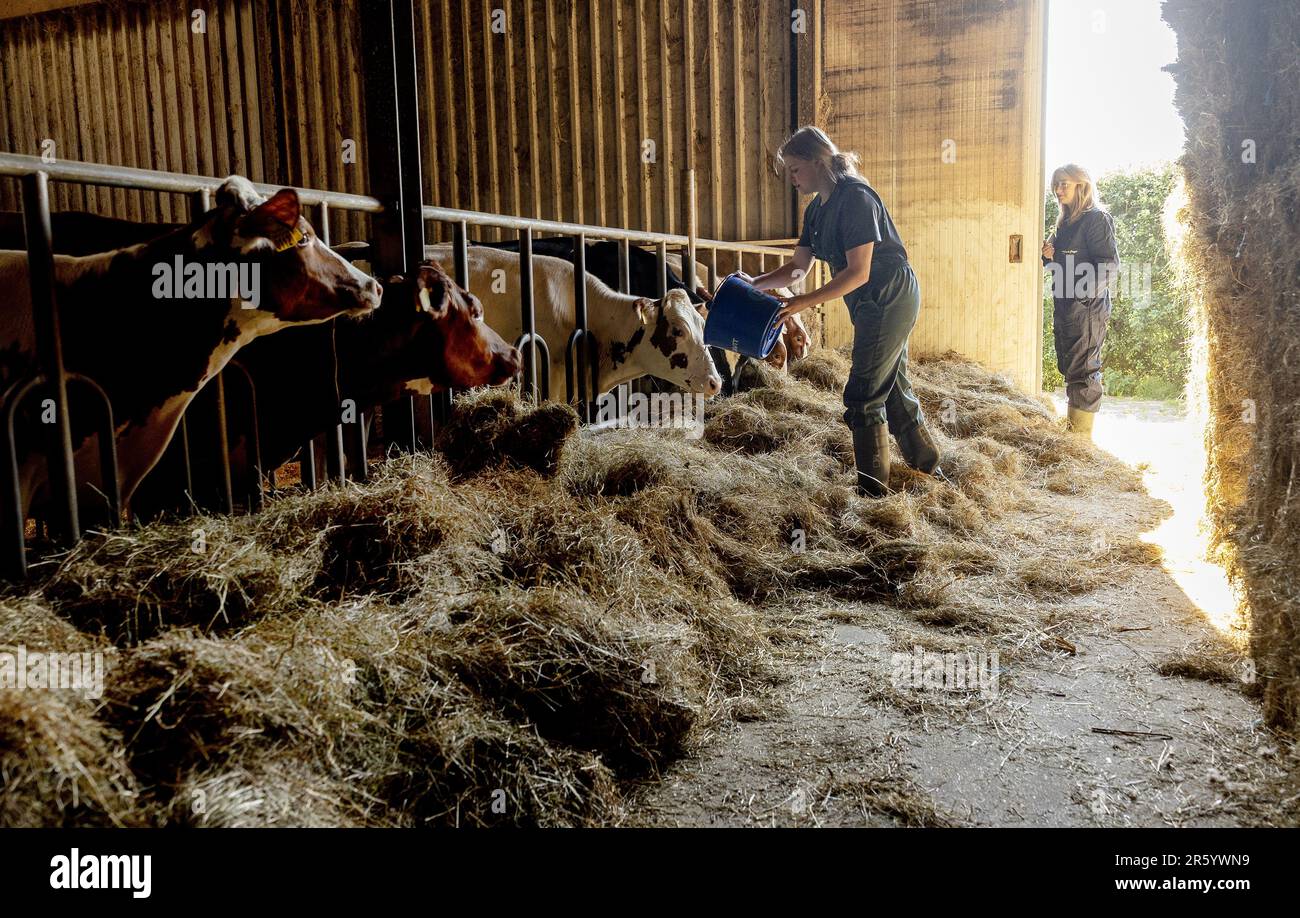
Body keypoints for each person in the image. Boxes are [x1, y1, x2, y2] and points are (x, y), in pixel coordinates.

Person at [747, 125, 942, 497]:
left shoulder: (855, 197)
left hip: (889, 293)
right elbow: (796, 269)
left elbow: (859, 271)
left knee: (863, 394)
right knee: (893, 387)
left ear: (819, 163)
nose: (791, 178)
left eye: (795, 169)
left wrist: (800, 303)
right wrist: (750, 284)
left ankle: (873, 497)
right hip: (868, 301)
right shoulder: (816, 212)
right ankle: (929, 467)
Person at [1042, 164, 1119, 440]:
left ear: (1081, 186)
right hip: (1064, 305)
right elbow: (1057, 265)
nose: (1058, 190)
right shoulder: (1063, 223)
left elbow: (1109, 265)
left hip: (1086, 309)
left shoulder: (1096, 219)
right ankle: (1074, 435)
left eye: (1064, 184)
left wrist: (1081, 298)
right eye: (1056, 185)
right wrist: (1048, 256)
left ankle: (1081, 443)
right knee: (1070, 367)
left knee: (1084, 371)